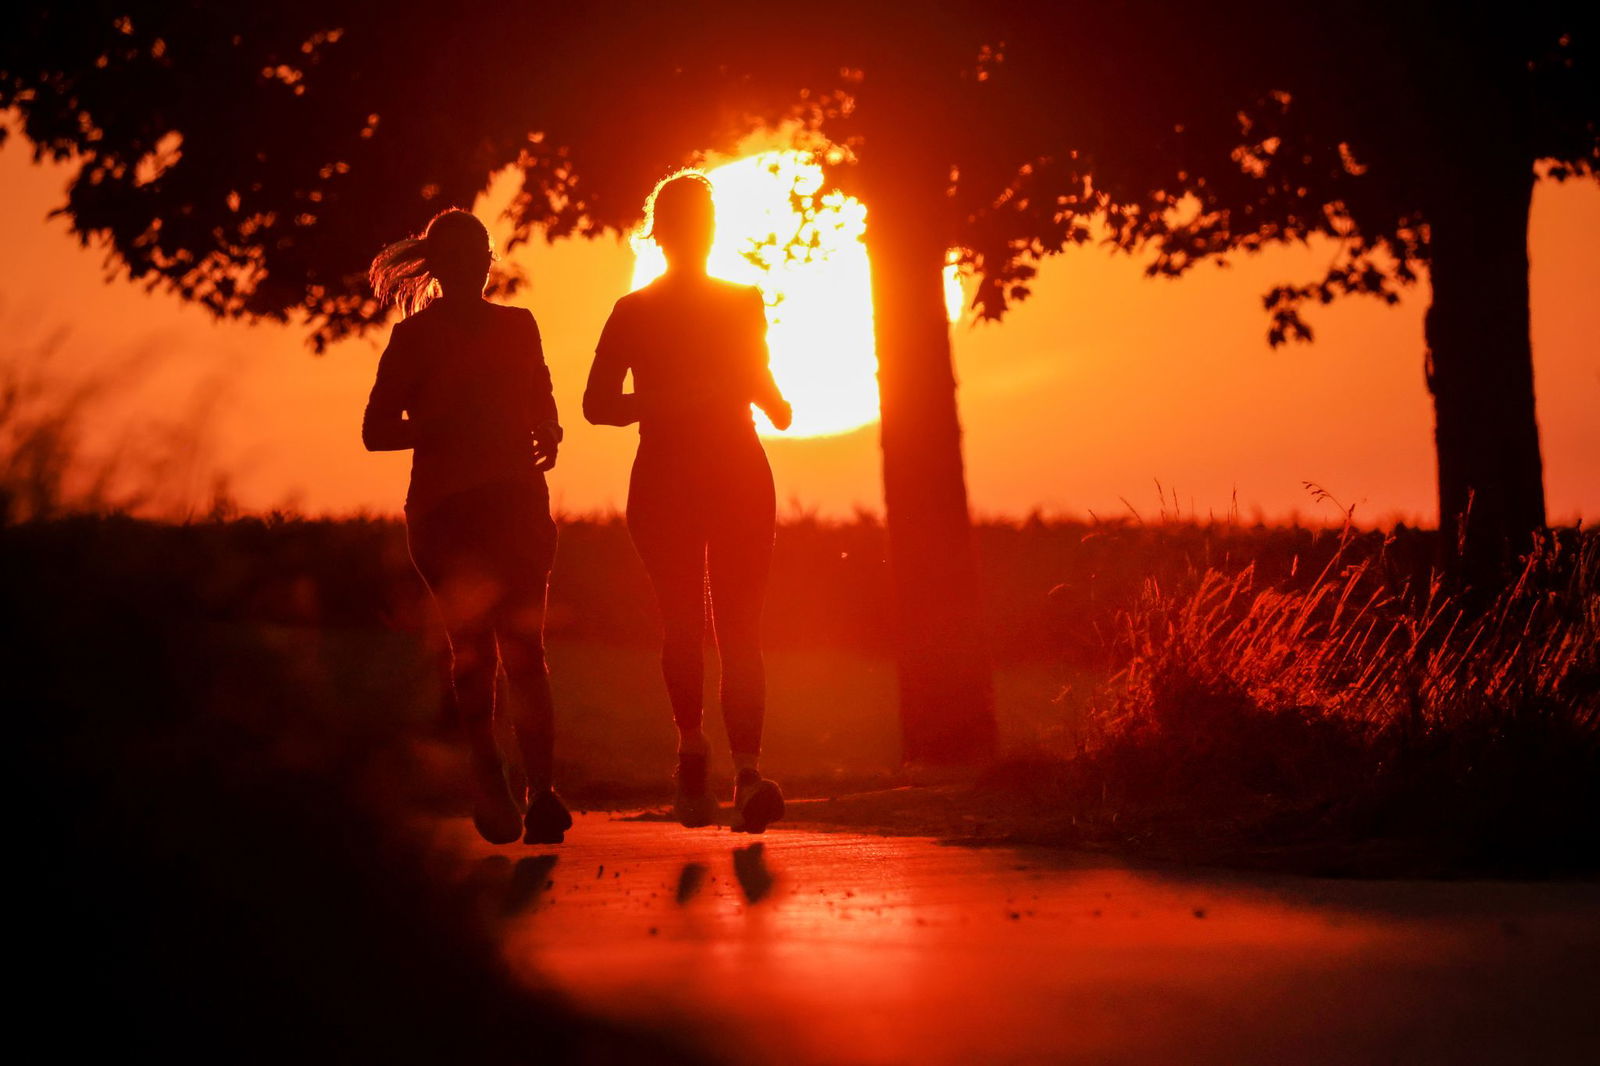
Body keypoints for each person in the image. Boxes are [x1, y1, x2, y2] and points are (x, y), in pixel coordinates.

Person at [584, 172, 792, 833]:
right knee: (719, 628)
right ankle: (721, 763)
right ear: (679, 231)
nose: (699, 233)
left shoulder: (664, 307)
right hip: (706, 470)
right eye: (695, 222)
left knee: (713, 628)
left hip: (699, 471)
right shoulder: (646, 309)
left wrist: (770, 399)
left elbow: (759, 380)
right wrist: (691, 401)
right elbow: (594, 405)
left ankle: (718, 764)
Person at [362, 208, 571, 845]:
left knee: (526, 653)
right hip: (445, 511)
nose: (465, 266)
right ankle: (492, 781)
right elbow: (375, 432)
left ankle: (541, 793)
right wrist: (442, 426)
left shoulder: (519, 326)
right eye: (450, 257)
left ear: (487, 261)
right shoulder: (413, 339)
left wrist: (550, 432)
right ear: (436, 266)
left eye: (475, 254)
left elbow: (542, 399)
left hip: (514, 504)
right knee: (474, 653)